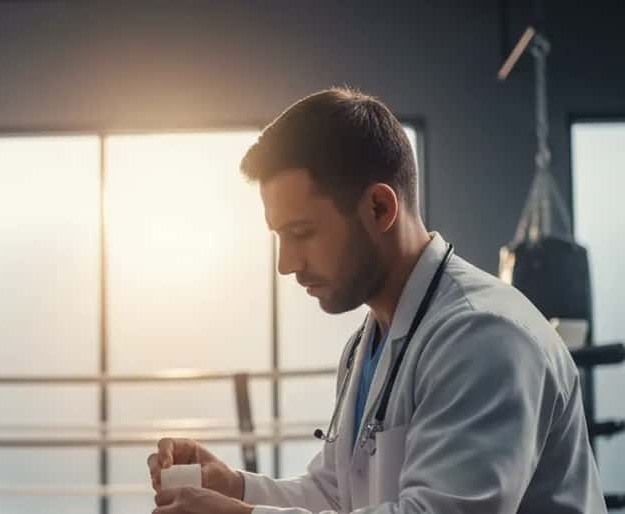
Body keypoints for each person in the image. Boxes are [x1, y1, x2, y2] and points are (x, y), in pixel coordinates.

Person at [147, 88, 607, 514]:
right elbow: (335, 494)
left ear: (380, 208)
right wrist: (234, 487)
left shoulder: (485, 336)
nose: (286, 264)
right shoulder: (366, 345)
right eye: (279, 237)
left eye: (301, 233)